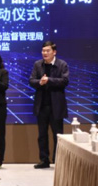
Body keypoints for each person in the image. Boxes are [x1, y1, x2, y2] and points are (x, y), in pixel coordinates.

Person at [29, 41, 69, 169]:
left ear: (54, 52)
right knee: (42, 135)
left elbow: (64, 81)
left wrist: (49, 80)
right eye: (43, 51)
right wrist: (39, 82)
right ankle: (44, 160)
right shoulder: (38, 64)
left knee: (58, 135)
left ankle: (58, 160)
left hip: (56, 106)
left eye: (47, 51)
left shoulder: (62, 64)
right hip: (42, 105)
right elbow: (31, 80)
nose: (45, 53)